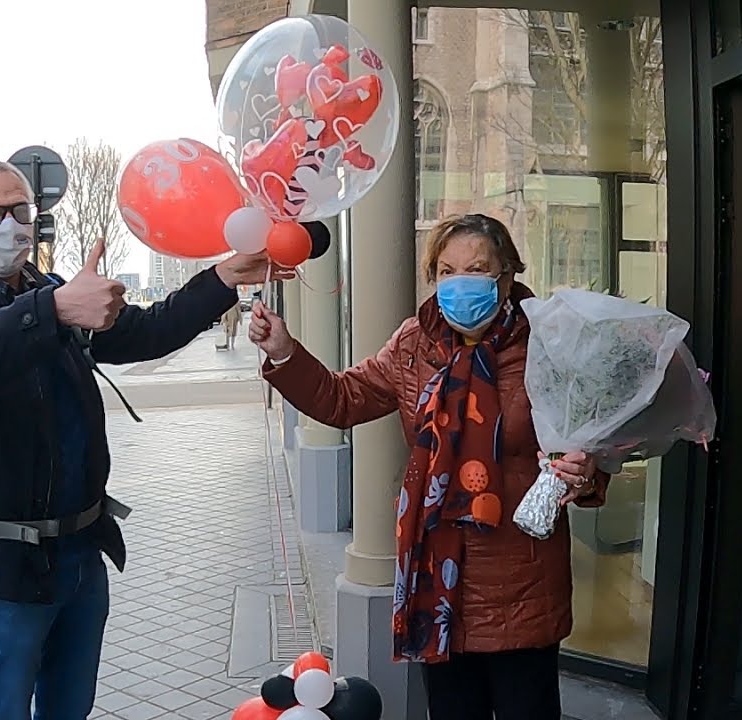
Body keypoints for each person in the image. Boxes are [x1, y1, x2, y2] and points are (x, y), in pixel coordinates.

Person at [0, 159, 286, 720]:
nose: (10, 224)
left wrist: (223, 278)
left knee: (70, 709)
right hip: (0, 566)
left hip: (80, 551)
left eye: (20, 211)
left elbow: (147, 332)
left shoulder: (54, 292)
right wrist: (52, 310)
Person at [249, 213, 609, 719]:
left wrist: (587, 474)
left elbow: (593, 442)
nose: (460, 283)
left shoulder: (548, 346)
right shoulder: (413, 344)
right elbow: (343, 399)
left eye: (476, 269)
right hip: (437, 582)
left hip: (521, 580)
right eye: (446, 270)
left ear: (507, 276)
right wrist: (285, 353)